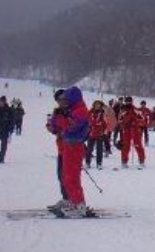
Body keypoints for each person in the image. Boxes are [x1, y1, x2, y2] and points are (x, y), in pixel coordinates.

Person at [53, 86, 90, 217]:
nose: (65, 101)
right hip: (69, 144)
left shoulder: (80, 111)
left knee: (72, 176)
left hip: (75, 145)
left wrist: (59, 119)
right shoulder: (74, 109)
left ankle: (79, 204)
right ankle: (71, 200)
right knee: (66, 175)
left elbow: (71, 126)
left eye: (66, 99)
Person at [45, 89, 68, 211]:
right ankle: (66, 198)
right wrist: (51, 127)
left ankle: (71, 200)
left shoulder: (71, 111)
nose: (62, 101)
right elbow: (56, 129)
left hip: (71, 148)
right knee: (60, 175)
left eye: (64, 98)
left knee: (68, 176)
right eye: (59, 99)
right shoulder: (57, 111)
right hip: (61, 148)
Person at [118, 96, 146, 169]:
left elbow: (142, 119)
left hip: (135, 129)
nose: (128, 102)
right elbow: (120, 120)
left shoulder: (135, 110)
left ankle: (141, 161)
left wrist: (136, 123)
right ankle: (124, 162)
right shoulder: (123, 110)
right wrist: (123, 125)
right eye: (127, 101)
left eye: (129, 101)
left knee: (137, 144)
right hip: (126, 130)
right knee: (125, 146)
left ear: (131, 102)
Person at [85, 100, 107, 169]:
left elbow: (105, 123)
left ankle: (99, 163)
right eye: (96, 104)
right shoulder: (90, 112)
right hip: (91, 133)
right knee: (89, 149)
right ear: (94, 105)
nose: (97, 106)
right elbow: (87, 121)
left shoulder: (103, 113)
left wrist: (103, 130)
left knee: (99, 149)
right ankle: (87, 162)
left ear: (100, 106)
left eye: (98, 105)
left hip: (100, 133)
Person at [0, 96, 14, 163]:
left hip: (5, 131)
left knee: (3, 146)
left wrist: (11, 130)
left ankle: (2, 157)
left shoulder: (9, 110)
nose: (0, 103)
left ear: (4, 102)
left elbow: (12, 121)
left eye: (2, 102)